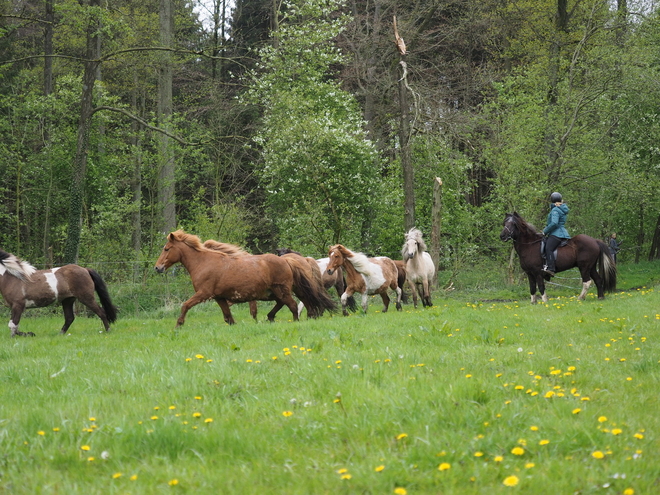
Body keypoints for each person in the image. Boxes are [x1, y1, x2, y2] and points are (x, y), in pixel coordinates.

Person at [542, 192, 570, 277]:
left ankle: (551, 269)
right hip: (562, 232)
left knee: (548, 248)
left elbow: (554, 223)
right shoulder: (561, 209)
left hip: (556, 233)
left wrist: (545, 231)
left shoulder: (555, 210)